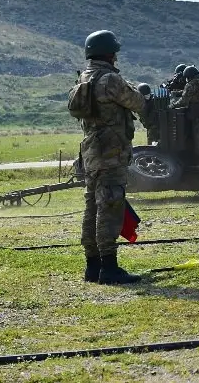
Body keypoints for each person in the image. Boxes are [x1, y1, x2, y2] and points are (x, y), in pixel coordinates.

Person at [77, 30, 146, 285]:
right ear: (108, 52)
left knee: (92, 208)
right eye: (114, 51)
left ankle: (92, 266)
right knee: (110, 206)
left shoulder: (85, 77)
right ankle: (109, 268)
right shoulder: (109, 79)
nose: (116, 56)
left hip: (91, 151)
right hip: (111, 152)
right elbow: (137, 102)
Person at [170, 65, 199, 159]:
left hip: (197, 115)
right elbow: (196, 93)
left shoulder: (190, 85)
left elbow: (183, 101)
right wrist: (178, 92)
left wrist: (172, 106)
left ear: (188, 76)